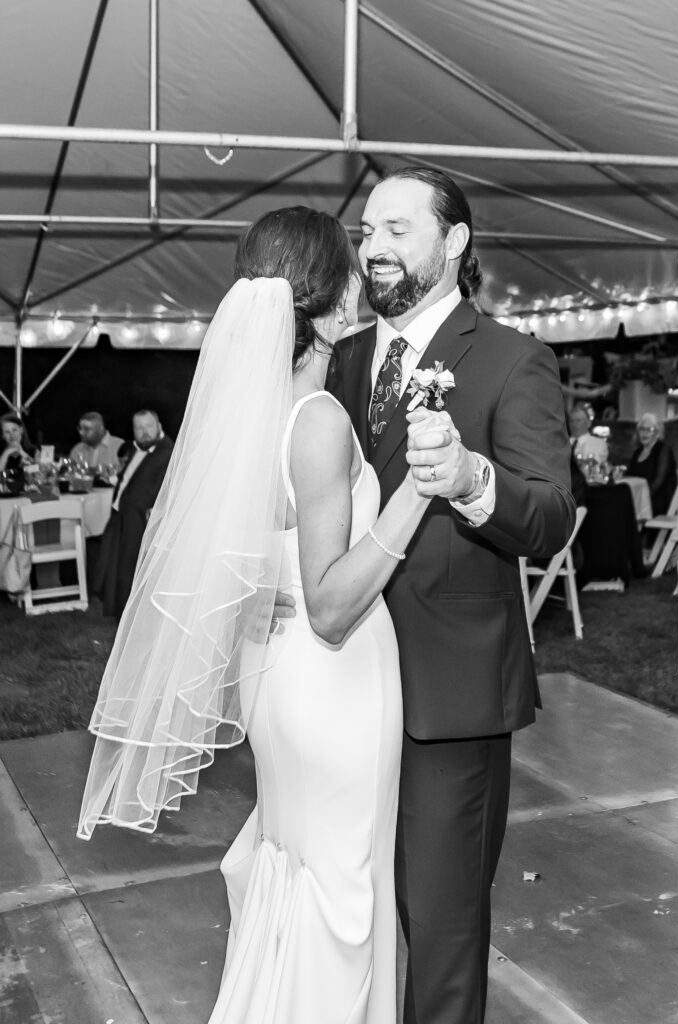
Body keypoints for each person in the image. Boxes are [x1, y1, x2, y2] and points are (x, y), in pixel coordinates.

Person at [77, 207, 433, 1024]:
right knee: (341, 883)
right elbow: (335, 605)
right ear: (329, 296)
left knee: (293, 862)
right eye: (352, 265)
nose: (362, 277)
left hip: (275, 679)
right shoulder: (316, 420)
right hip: (335, 683)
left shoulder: (254, 418)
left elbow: (250, 568)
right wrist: (422, 485)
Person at [270, 165, 570, 1023]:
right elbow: (291, 494)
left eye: (399, 230)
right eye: (366, 232)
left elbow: (549, 516)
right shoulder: (342, 355)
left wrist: (476, 479)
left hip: (447, 698)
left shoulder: (513, 359)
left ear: (455, 241)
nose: (375, 249)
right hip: (338, 694)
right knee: (344, 914)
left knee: (437, 928)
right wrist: (272, 582)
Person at [95, 409, 173, 619]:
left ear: (158, 425)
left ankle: (130, 615)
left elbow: (163, 490)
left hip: (141, 519)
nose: (144, 432)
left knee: (130, 569)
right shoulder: (135, 448)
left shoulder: (168, 452)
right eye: (139, 427)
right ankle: (120, 612)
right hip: (123, 515)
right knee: (117, 566)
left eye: (148, 426)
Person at [627, 412, 677, 515]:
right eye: (641, 429)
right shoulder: (637, 452)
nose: (644, 433)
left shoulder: (664, 450)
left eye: (649, 429)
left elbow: (658, 482)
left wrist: (640, 499)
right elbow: (629, 477)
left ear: (658, 433)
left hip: (657, 501)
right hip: (638, 499)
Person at [0, 413, 34, 486]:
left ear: (21, 430)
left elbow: (39, 477)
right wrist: (6, 453)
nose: (12, 435)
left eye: (14, 430)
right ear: (3, 436)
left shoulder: (33, 451)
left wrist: (22, 452)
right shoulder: (1, 453)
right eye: (7, 432)